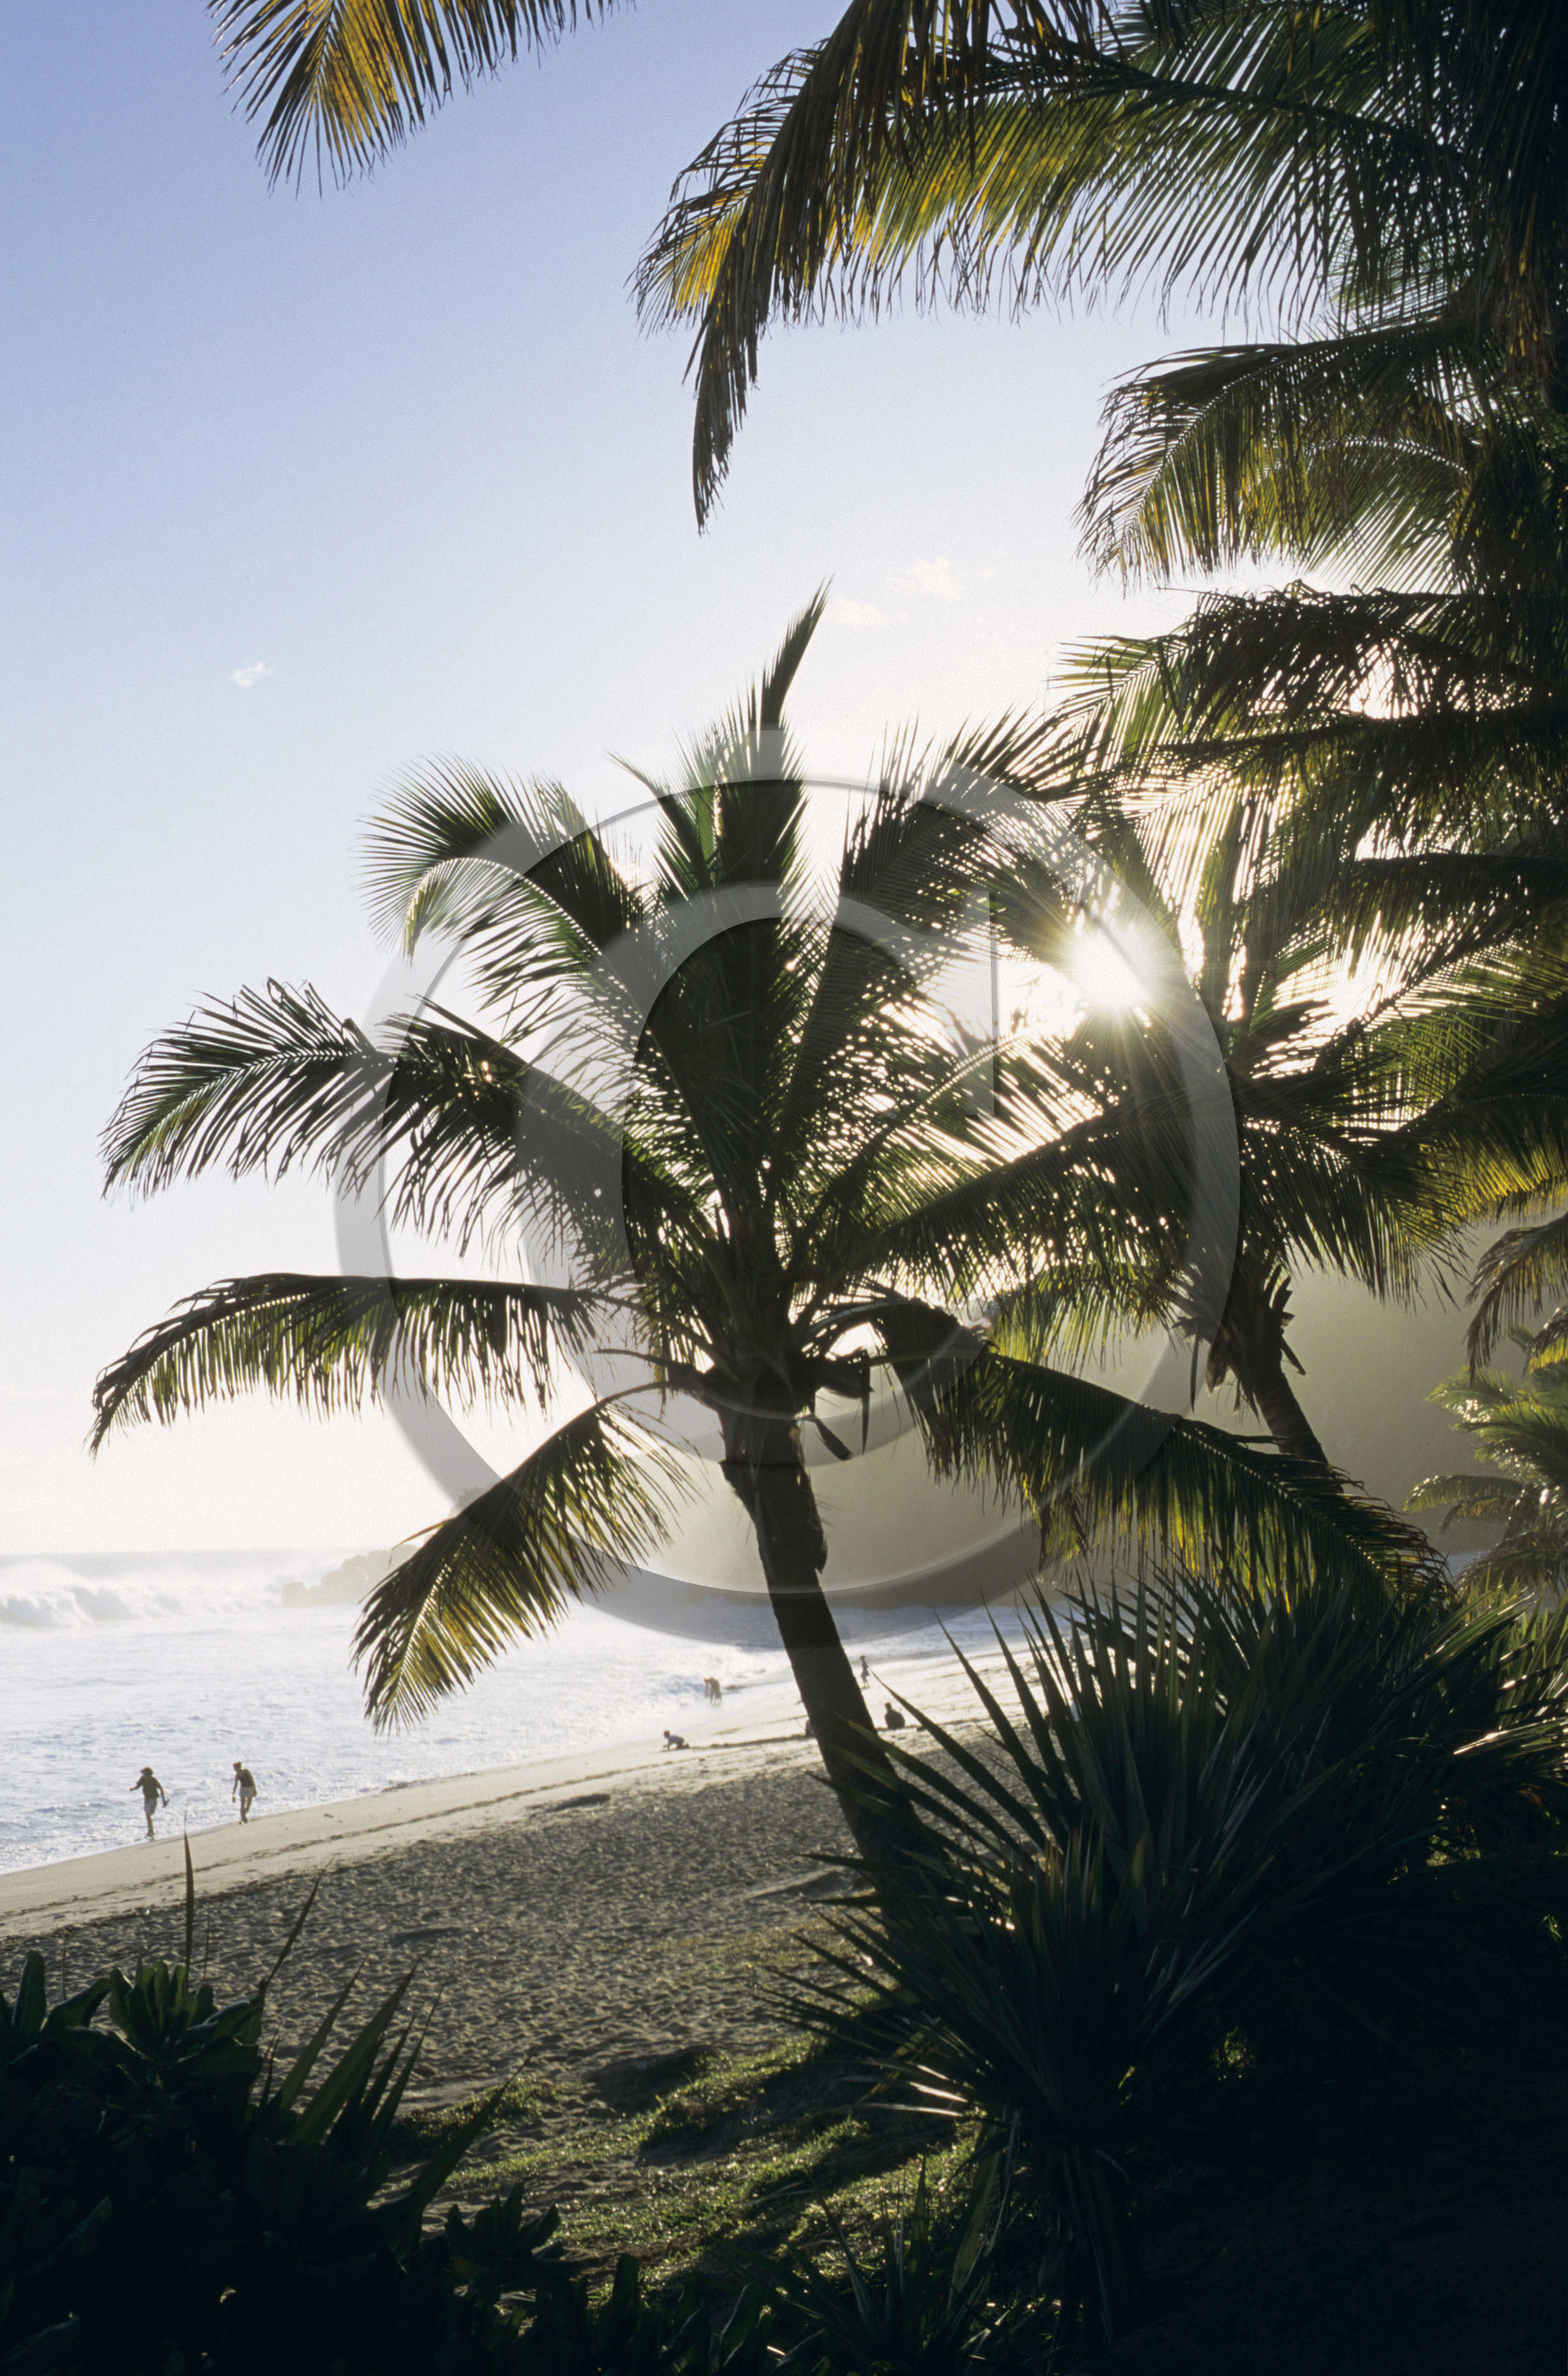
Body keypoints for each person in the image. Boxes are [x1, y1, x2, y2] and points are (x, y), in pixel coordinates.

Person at [132, 1767, 168, 1839]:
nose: (143, 1775)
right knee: (147, 1815)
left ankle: (150, 1831)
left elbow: (161, 1789)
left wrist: (163, 1801)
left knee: (148, 1815)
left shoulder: (153, 1780)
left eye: (144, 1774)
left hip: (153, 1798)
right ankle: (151, 1830)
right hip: (147, 1798)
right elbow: (138, 1786)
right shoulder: (142, 1779)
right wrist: (133, 1789)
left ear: (149, 1774)